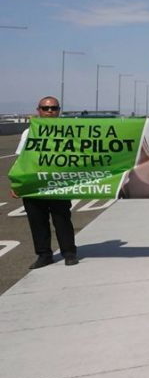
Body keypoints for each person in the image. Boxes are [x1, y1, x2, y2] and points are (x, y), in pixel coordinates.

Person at [11, 96, 78, 268]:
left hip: (58, 183)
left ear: (59, 110)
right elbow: (21, 159)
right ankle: (44, 255)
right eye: (46, 108)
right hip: (34, 183)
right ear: (38, 110)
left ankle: (69, 252)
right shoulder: (29, 132)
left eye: (54, 108)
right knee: (37, 220)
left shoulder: (69, 130)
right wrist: (17, 184)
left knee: (62, 219)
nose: (50, 111)